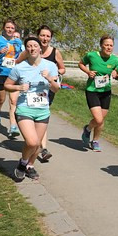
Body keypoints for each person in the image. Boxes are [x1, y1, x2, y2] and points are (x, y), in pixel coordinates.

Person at [3, 36, 61, 182]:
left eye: (35, 45)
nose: (32, 48)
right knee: (32, 142)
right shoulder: (19, 67)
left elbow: (56, 89)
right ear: (26, 49)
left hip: (42, 109)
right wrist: (19, 87)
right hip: (24, 108)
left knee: (38, 145)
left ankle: (29, 166)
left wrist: (49, 79)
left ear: (40, 48)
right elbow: (7, 85)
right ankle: (23, 162)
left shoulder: (50, 66)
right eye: (29, 46)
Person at [78, 35, 118, 152]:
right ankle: (87, 129)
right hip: (92, 91)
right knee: (98, 120)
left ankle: (95, 141)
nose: (109, 47)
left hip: (106, 92)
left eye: (111, 45)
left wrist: (117, 76)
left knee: (101, 120)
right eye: (106, 45)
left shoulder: (115, 60)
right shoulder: (92, 55)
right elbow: (81, 63)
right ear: (101, 45)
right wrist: (88, 71)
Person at [0, 20, 24, 137]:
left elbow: (22, 56)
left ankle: (13, 126)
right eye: (8, 27)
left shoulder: (18, 42)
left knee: (13, 101)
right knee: (1, 99)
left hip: (13, 74)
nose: (10, 30)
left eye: (12, 28)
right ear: (3, 28)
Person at [36, 25, 66, 163]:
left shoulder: (55, 52)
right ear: (38, 36)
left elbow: (62, 68)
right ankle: (34, 142)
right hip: (32, 89)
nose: (45, 38)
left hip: (48, 89)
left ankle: (43, 148)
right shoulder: (31, 50)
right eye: (42, 35)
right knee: (33, 116)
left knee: (43, 115)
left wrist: (56, 75)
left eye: (48, 36)